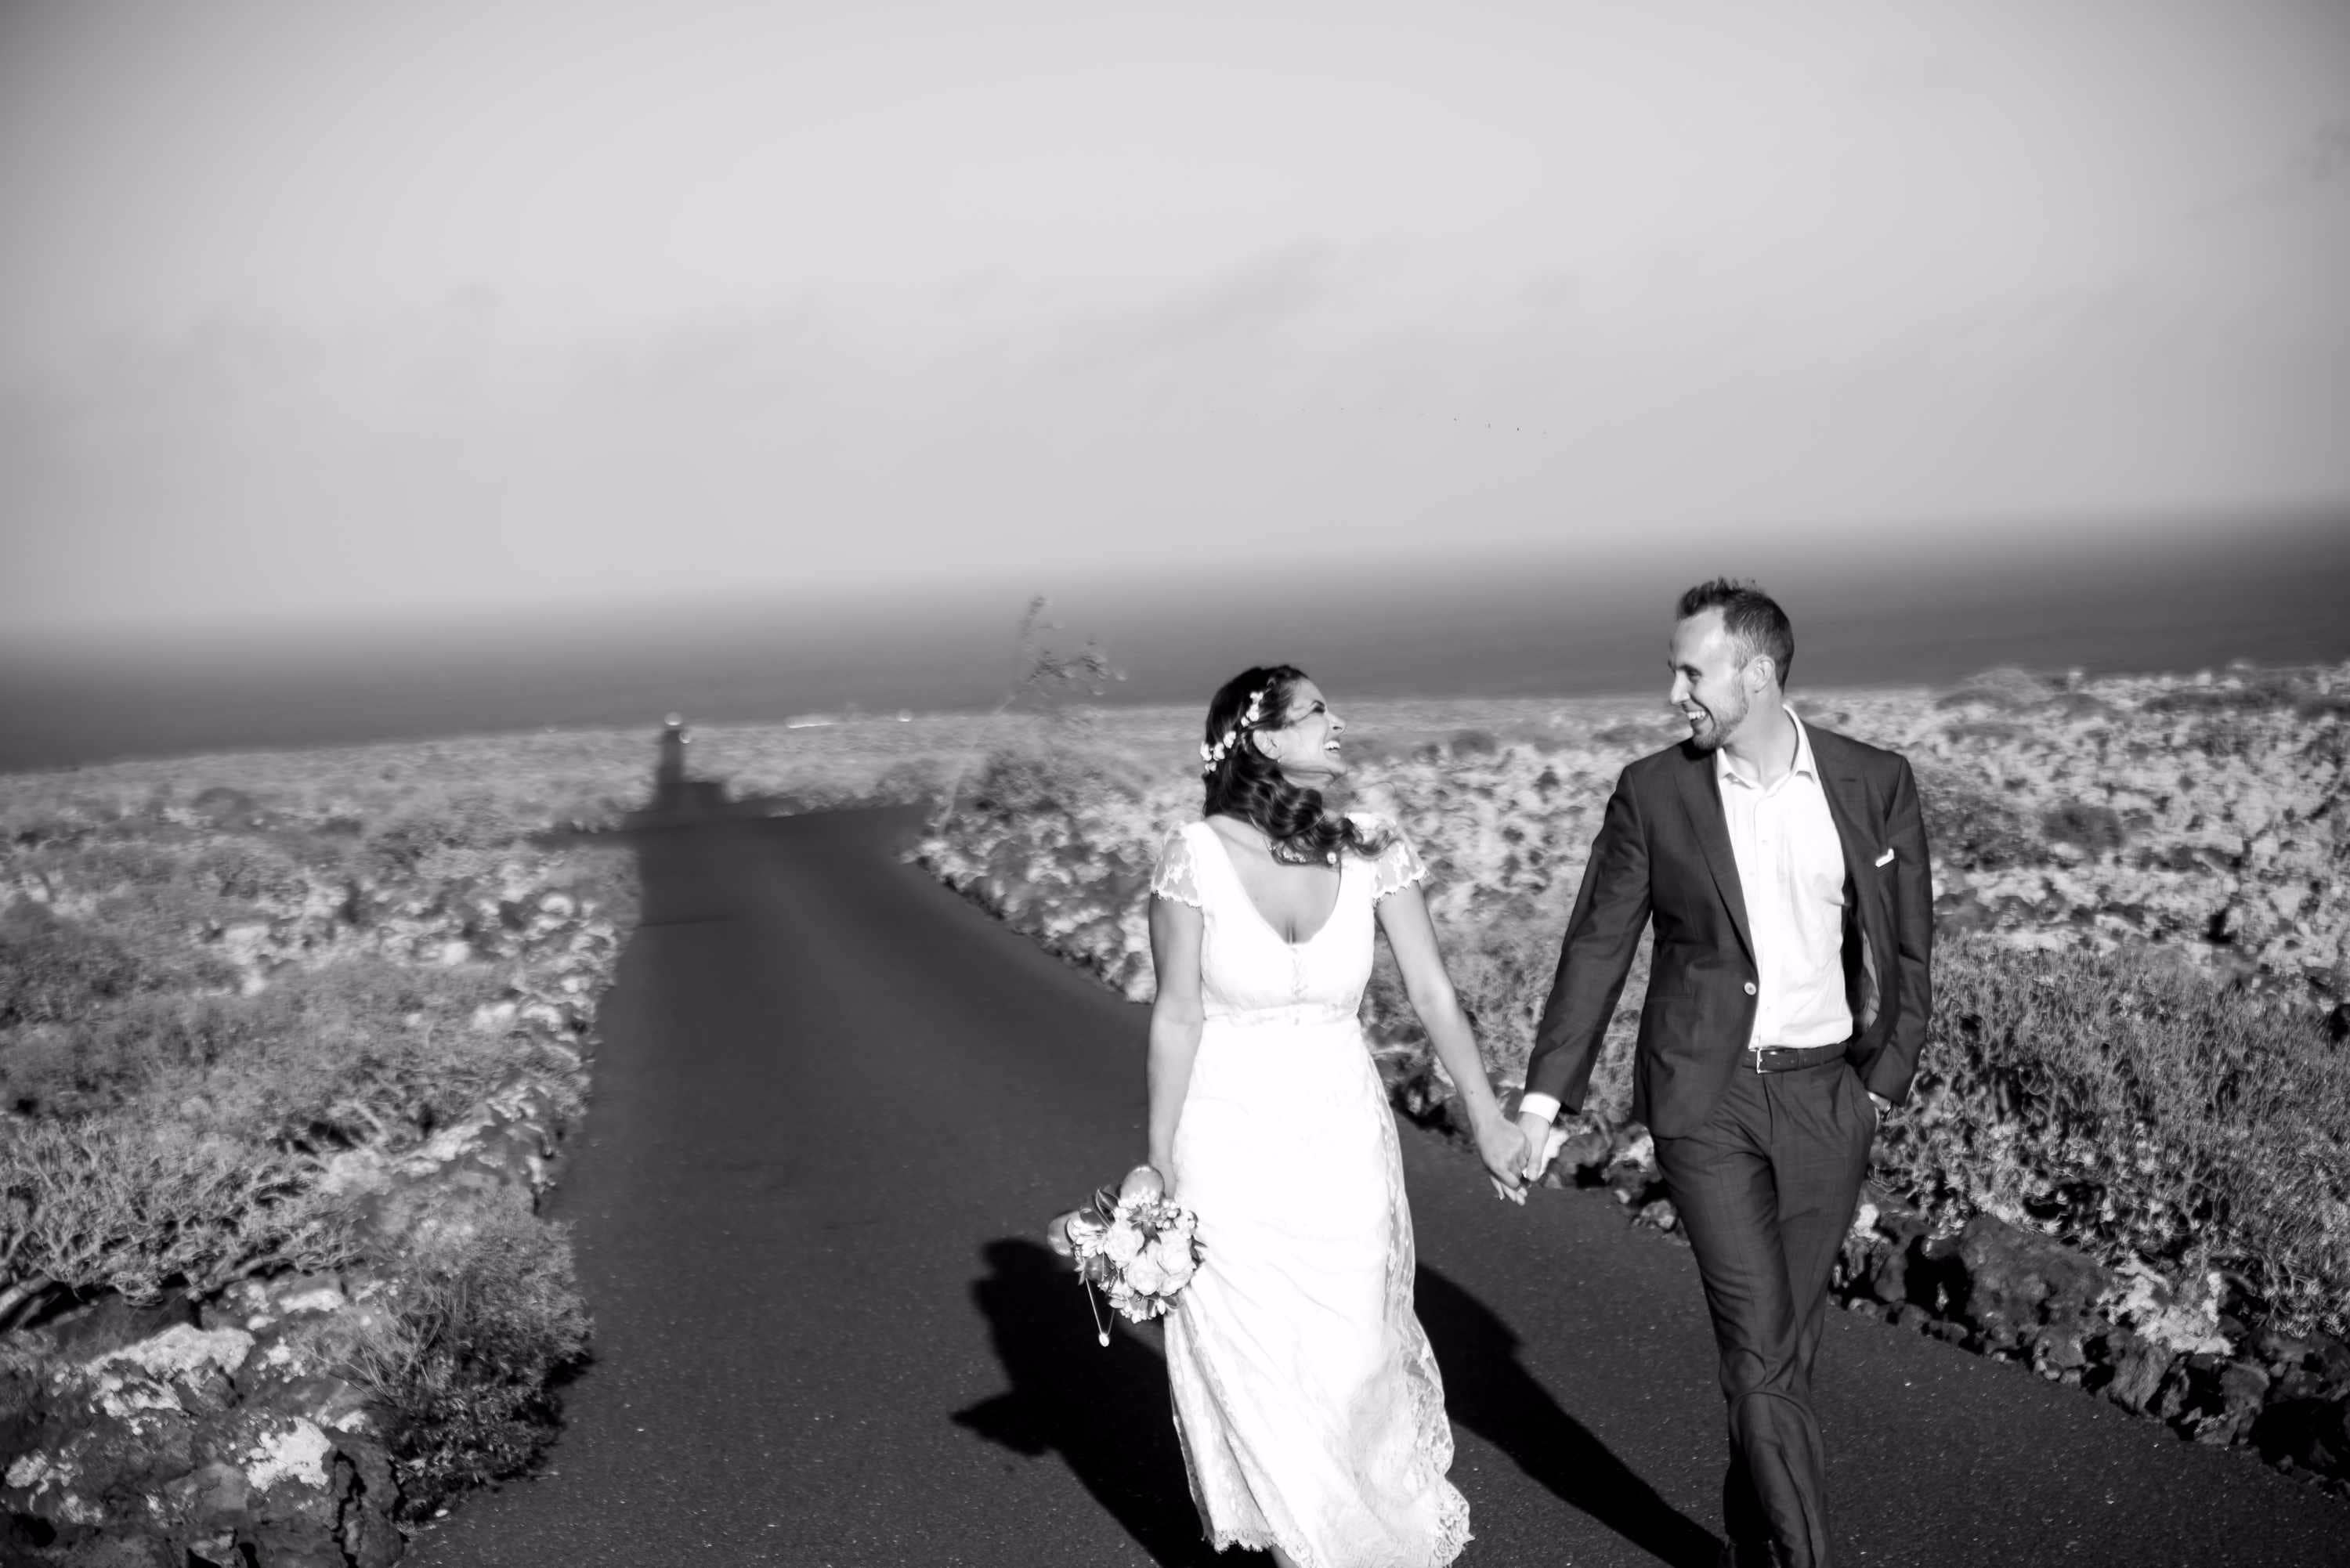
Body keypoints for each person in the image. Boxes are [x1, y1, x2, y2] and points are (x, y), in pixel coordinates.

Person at [1514, 580, 1933, 1568]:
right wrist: (1543, 1103)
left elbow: (1910, 947)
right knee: (1758, 1346)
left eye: (1692, 672)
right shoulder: (1653, 792)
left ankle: (1756, 1540)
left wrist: (1881, 1086)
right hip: (1707, 1102)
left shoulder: (1874, 781)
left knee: (1784, 1353)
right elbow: (1596, 948)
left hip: (1830, 1097)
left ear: (1758, 672)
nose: (1675, 694)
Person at [1145, 665, 1528, 1568]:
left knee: (1352, 1353)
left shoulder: (1372, 847)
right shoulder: (1192, 858)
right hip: (1225, 1141)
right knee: (1260, 1364)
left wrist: (1486, 1115)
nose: (1339, 722)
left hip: (1341, 1138)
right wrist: (1156, 1158)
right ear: (1266, 738)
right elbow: (1177, 1014)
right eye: (1318, 710)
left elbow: (1433, 993)